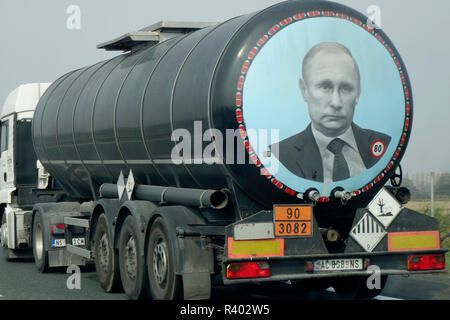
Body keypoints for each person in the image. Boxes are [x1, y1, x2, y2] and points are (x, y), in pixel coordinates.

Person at [270, 42, 390, 182]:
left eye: (345, 88)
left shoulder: (385, 147)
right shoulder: (278, 156)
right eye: (325, 87)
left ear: (358, 92)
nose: (336, 103)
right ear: (304, 90)